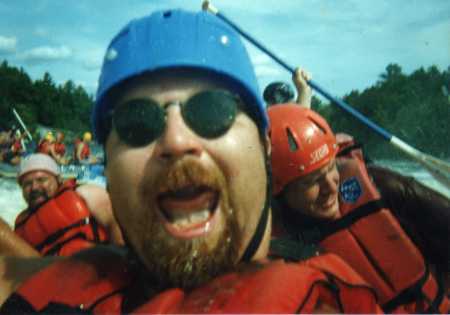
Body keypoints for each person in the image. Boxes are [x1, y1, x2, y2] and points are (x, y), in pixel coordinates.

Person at [0, 9, 383, 314]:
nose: (176, 140)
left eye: (214, 111)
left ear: (266, 148)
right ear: (109, 171)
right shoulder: (62, 285)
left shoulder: (327, 299)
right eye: (137, 123)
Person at [268, 104, 450, 313]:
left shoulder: (379, 186)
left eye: (331, 168)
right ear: (279, 191)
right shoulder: (279, 255)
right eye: (311, 182)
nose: (331, 186)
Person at [13, 153, 123, 256]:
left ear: (58, 179)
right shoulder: (21, 226)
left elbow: (116, 224)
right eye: (27, 184)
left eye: (41, 180)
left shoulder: (85, 193)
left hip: (101, 269)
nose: (34, 187)